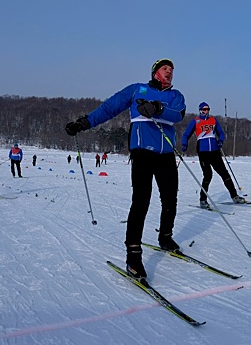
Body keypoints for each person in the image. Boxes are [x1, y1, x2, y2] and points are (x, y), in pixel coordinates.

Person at [65, 58, 185, 280]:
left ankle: (165, 237)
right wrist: (83, 123)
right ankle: (133, 256)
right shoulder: (137, 90)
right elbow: (109, 108)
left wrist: (158, 108)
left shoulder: (175, 96)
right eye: (164, 69)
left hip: (166, 154)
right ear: (155, 72)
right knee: (141, 201)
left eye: (171, 70)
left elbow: (178, 114)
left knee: (170, 198)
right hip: (142, 152)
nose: (169, 72)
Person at [181, 102, 245, 208]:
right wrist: (184, 143)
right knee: (208, 175)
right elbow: (186, 134)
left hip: (215, 151)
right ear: (200, 110)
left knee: (224, 174)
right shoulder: (195, 121)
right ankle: (203, 200)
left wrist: (220, 141)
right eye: (204, 109)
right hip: (203, 151)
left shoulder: (213, 120)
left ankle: (234, 196)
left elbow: (221, 133)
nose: (206, 111)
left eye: (208, 109)